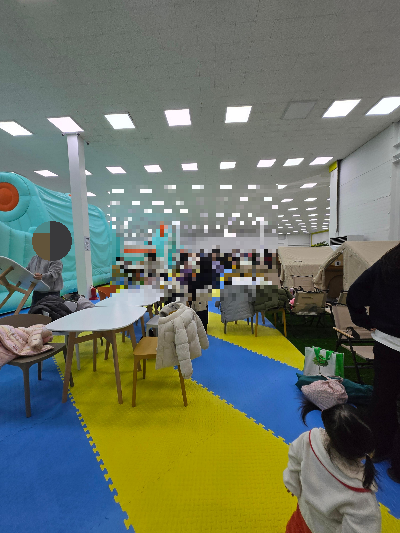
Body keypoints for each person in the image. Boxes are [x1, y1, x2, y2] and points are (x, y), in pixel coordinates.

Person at [283, 400, 381, 533]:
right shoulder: (360, 495)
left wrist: (291, 481)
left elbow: (294, 457)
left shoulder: (309, 439)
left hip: (302, 515)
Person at [347, 243, 400, 483]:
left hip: (387, 341)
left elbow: (355, 292)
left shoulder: (389, 262)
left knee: (383, 398)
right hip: (387, 339)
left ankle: (381, 448)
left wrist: (364, 320)